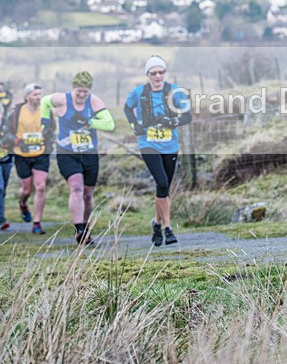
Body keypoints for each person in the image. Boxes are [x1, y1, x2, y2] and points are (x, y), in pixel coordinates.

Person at [124, 56, 192, 246]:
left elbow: (188, 116)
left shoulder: (175, 91)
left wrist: (173, 121)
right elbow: (127, 109)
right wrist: (134, 125)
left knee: (163, 189)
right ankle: (168, 228)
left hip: (170, 145)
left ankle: (156, 224)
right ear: (147, 75)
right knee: (161, 182)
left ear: (164, 73)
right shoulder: (139, 92)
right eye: (153, 73)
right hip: (148, 143)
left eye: (161, 72)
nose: (157, 76)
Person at [40, 71, 115, 244]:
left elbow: (110, 124)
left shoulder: (94, 102)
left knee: (87, 195)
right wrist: (45, 122)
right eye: (78, 91)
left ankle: (85, 226)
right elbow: (44, 101)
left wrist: (90, 122)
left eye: (85, 92)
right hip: (67, 152)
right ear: (73, 88)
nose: (81, 95)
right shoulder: (62, 99)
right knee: (76, 188)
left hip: (89, 154)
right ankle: (79, 229)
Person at [3, 84, 53, 233]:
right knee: (26, 189)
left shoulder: (46, 110)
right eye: (35, 94)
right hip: (22, 154)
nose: (38, 97)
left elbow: (52, 129)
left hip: (41, 153)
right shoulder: (17, 112)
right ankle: (23, 204)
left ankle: (37, 223)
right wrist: (16, 140)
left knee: (41, 186)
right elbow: (7, 132)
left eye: (39, 94)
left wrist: (49, 140)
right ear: (27, 96)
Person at [0, 101, 12, 231]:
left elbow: (13, 137)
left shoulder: (8, 124)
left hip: (7, 160)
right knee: (0, 188)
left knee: (3, 191)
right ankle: (2, 219)